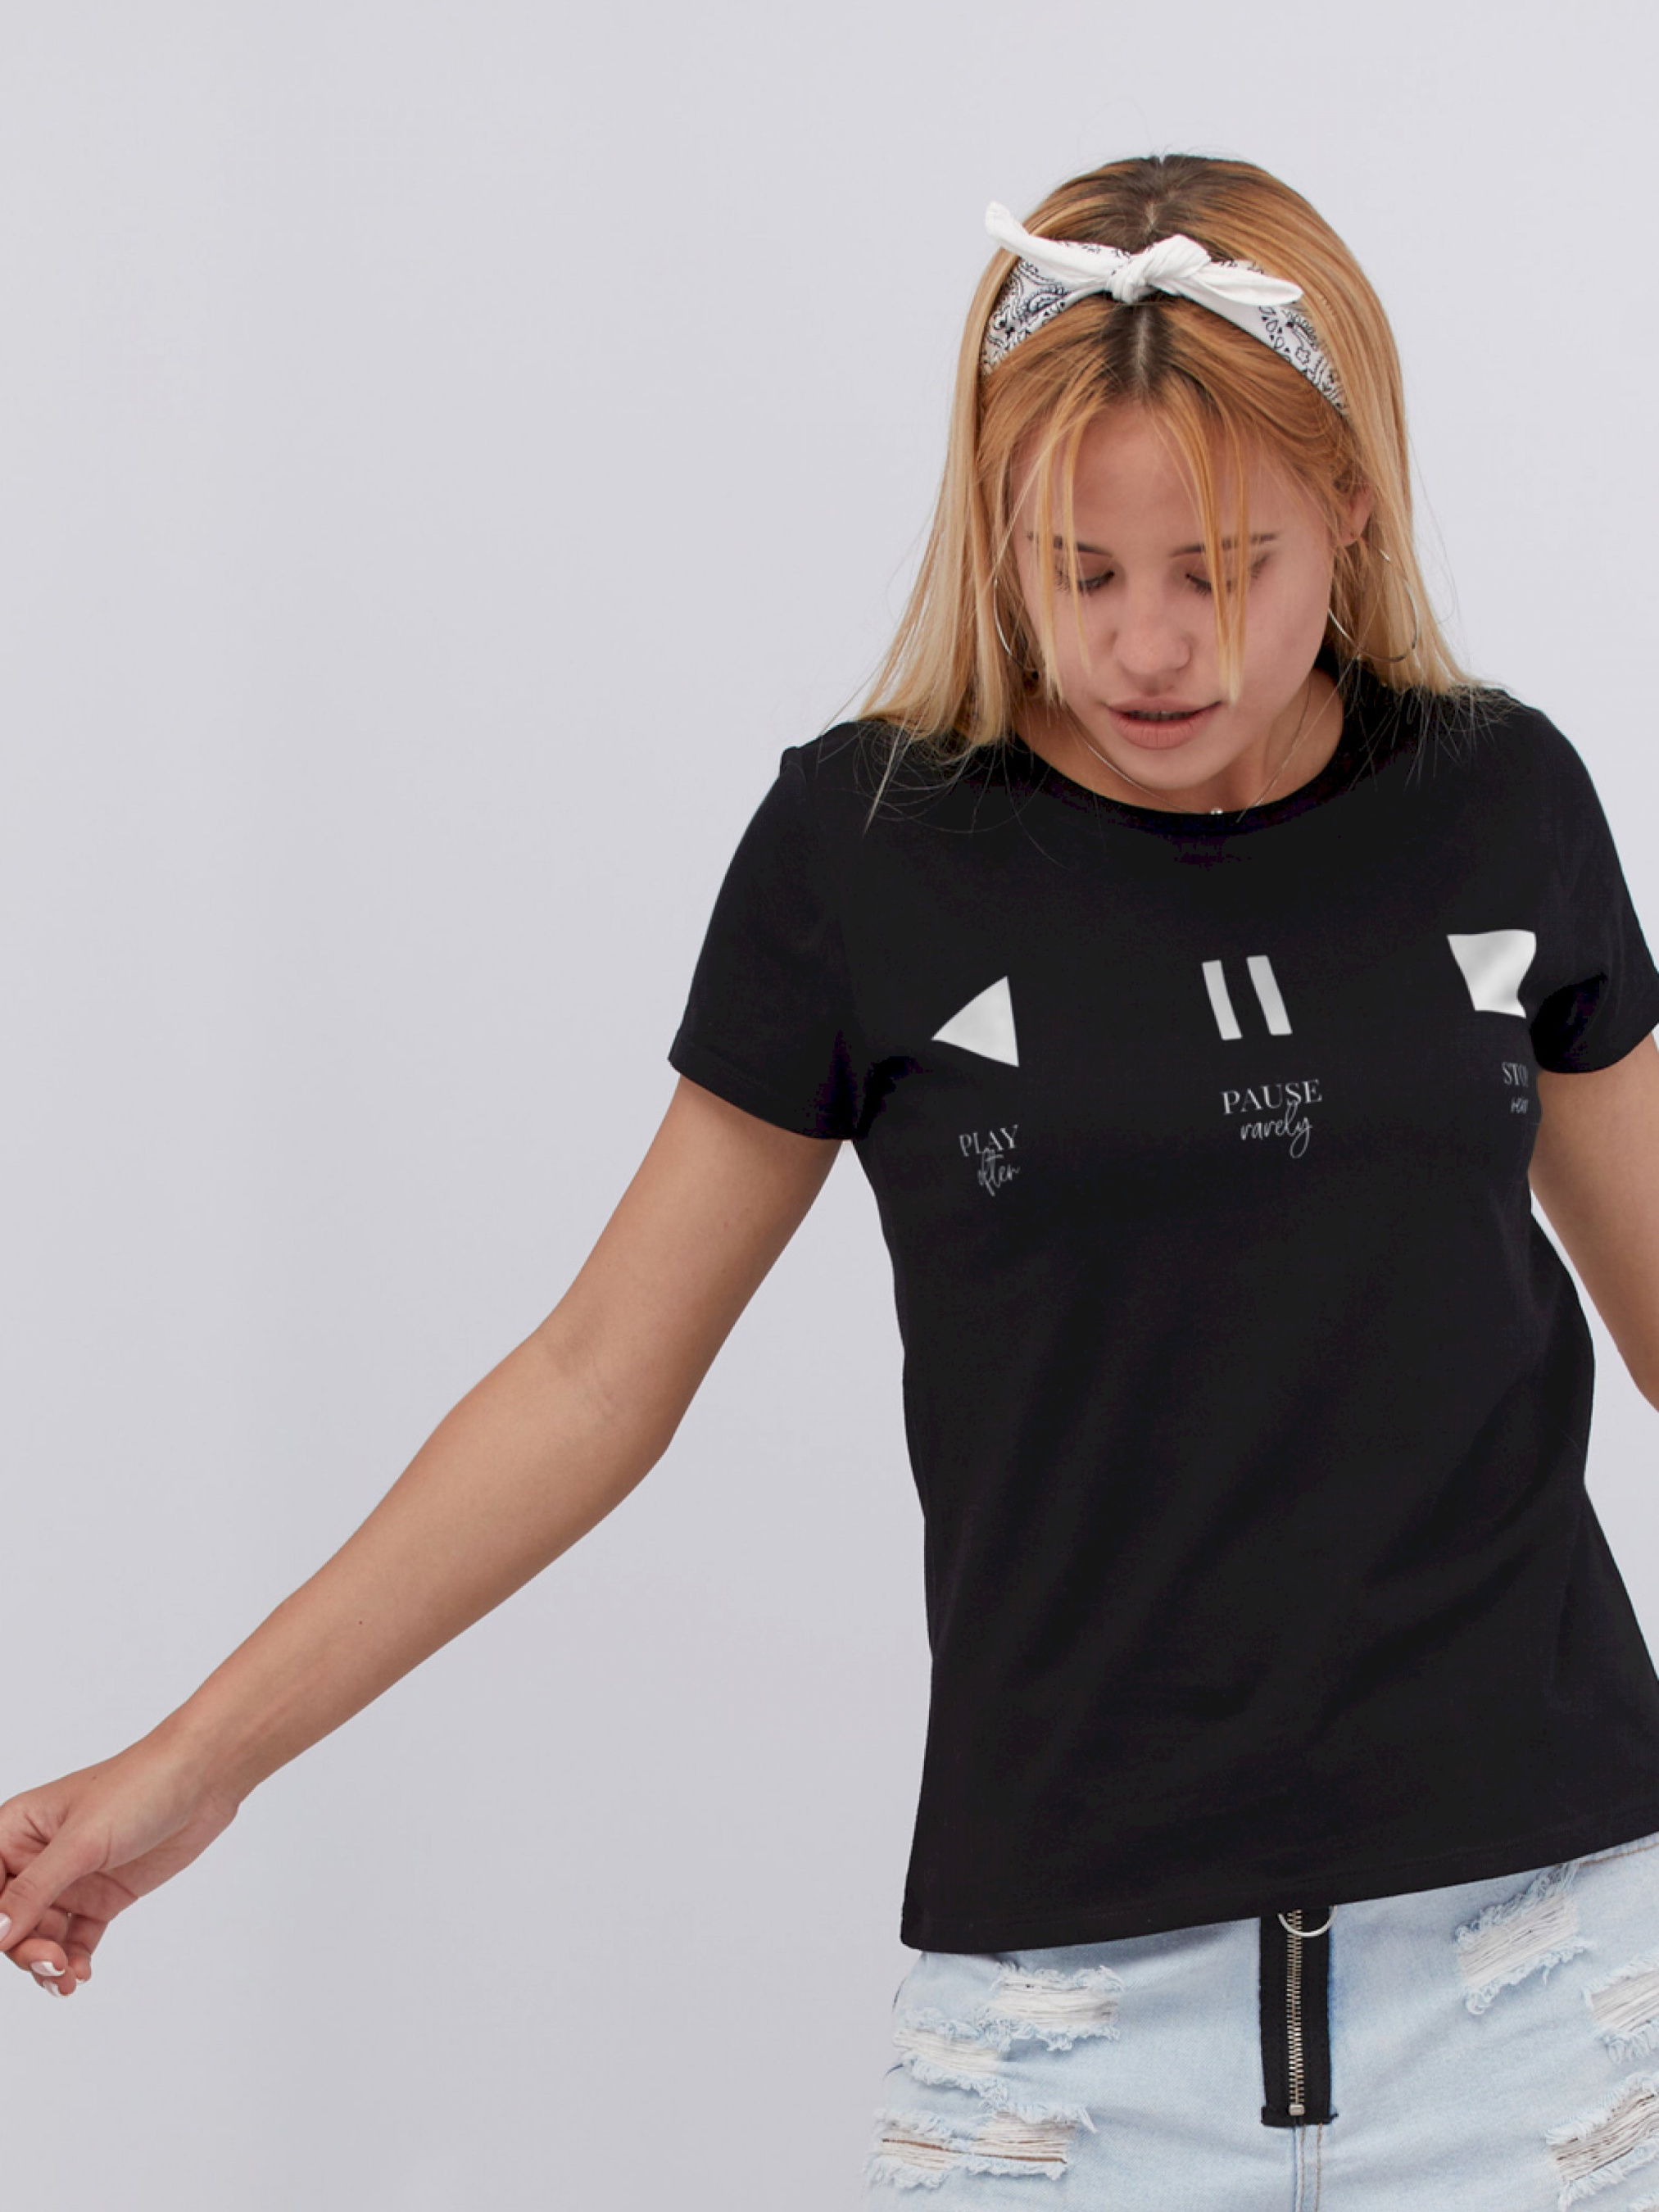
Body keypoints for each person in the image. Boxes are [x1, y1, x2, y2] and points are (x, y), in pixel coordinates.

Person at [6, 149, 1659, 2207]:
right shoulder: (864, 852)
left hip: (1551, 1989)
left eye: (1221, 569)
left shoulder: (1500, 804)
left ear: (1350, 505)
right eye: (1078, 571)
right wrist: (196, 1765)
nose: (1149, 644)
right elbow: (592, 1379)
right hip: (1062, 2038)